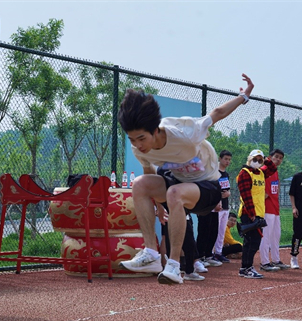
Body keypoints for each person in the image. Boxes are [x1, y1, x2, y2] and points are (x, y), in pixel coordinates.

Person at [117, 74, 254, 285]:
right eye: (132, 139)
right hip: (179, 183)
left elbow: (217, 113)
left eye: (142, 138)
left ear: (155, 130)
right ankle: (151, 254)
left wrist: (243, 97)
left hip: (208, 186)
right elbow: (149, 174)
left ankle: (173, 265)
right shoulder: (139, 149)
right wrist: (159, 206)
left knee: (175, 193)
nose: (138, 145)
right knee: (140, 184)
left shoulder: (184, 133)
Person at [236, 149, 278, 278]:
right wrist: (251, 213)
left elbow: (273, 169)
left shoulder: (260, 173)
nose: (257, 162)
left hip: (259, 212)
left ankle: (245, 267)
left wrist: (266, 160)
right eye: (255, 159)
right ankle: (247, 267)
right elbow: (246, 195)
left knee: (252, 241)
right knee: (252, 241)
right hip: (249, 213)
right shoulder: (245, 173)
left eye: (260, 160)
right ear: (249, 159)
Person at [258, 149, 289, 272]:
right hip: (267, 208)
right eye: (276, 157)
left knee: (276, 235)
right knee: (266, 235)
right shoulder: (263, 170)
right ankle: (264, 262)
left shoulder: (275, 171)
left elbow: (276, 187)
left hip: (275, 208)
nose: (278, 159)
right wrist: (263, 195)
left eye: (281, 158)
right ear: (270, 157)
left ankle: (276, 260)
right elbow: (257, 186)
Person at [212, 150, 233, 263]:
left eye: (229, 159)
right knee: (214, 230)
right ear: (220, 159)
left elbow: (227, 189)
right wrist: (218, 197)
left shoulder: (226, 174)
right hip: (217, 207)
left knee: (222, 231)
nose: (227, 161)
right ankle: (210, 253)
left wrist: (228, 193)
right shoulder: (215, 173)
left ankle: (218, 253)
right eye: (225, 159)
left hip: (225, 206)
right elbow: (213, 189)